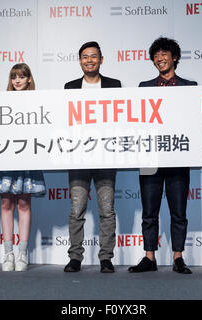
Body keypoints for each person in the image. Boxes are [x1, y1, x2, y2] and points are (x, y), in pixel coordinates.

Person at [128, 37, 202, 274]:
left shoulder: (189, 86)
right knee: (149, 211)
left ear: (174, 58)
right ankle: (149, 257)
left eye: (164, 54)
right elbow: (137, 120)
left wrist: (193, 111)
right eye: (156, 55)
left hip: (178, 157)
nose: (160, 58)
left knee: (178, 211)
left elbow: (200, 121)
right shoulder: (144, 87)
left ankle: (178, 257)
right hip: (150, 157)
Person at [63, 41, 121, 273]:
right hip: (78, 157)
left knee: (107, 210)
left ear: (101, 59)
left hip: (106, 157)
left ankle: (106, 258)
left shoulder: (114, 86)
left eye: (94, 56)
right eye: (85, 57)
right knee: (77, 210)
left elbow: (121, 119)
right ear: (80, 61)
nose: (89, 60)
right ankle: (75, 257)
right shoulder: (70, 87)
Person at [0, 63, 46, 271]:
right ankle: (8, 254)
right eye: (14, 77)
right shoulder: (0, 101)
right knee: (5, 204)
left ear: (29, 79)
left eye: (21, 76)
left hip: (28, 157)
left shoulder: (39, 102)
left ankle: (22, 253)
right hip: (5, 157)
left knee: (24, 205)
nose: (17, 80)